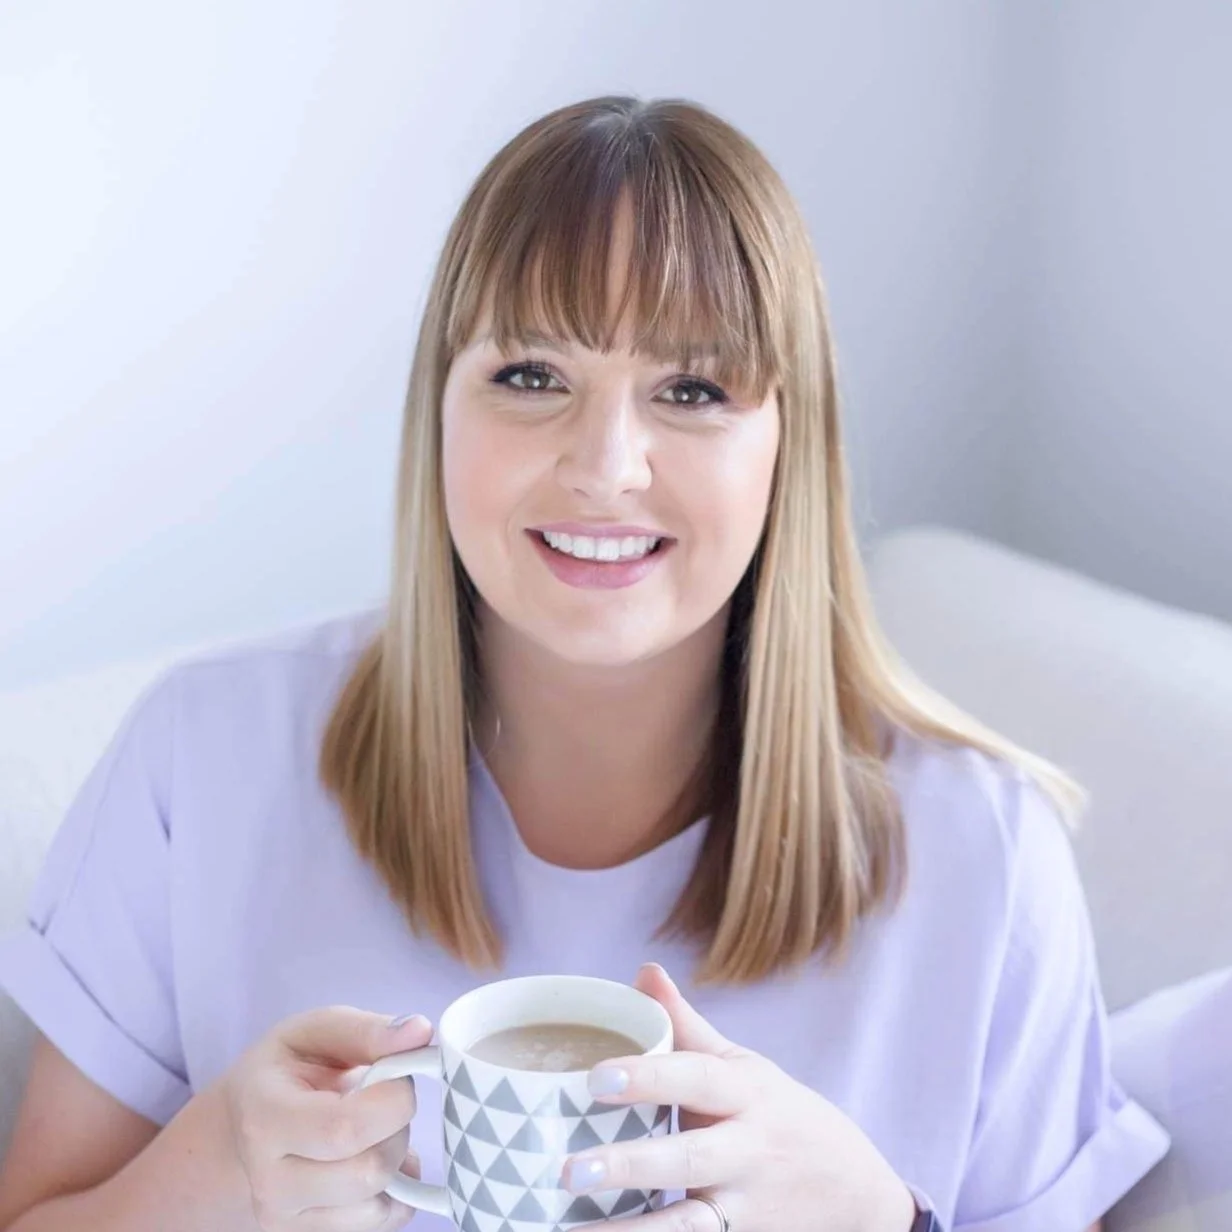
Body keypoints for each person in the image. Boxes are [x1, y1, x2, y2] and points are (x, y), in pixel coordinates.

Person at [0, 95, 1168, 1232]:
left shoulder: (983, 854)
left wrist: (879, 1219)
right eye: (531, 376)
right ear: (439, 410)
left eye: (691, 390)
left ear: (786, 444)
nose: (606, 463)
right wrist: (210, 1179)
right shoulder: (197, 762)